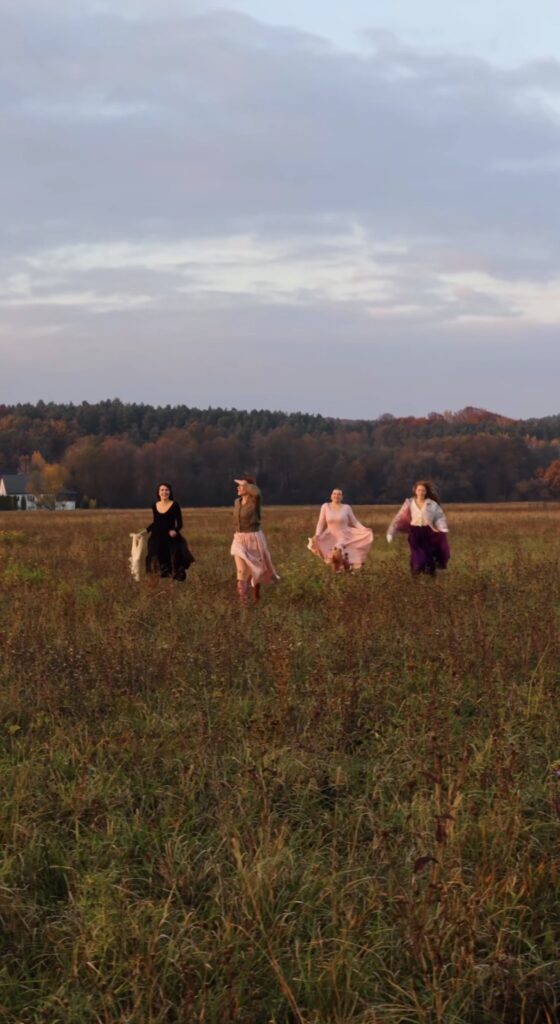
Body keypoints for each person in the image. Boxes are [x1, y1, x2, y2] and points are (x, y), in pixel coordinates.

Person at [230, 477, 279, 604]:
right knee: (241, 571)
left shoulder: (255, 501)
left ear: (248, 488)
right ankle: (243, 601)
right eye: (239, 485)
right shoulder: (237, 502)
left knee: (255, 569)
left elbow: (257, 493)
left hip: (253, 538)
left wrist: (246, 484)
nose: (238, 487)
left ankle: (256, 597)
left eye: (241, 486)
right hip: (239, 538)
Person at [386, 480, 450, 576]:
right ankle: (415, 573)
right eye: (419, 490)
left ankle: (430, 575)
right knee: (417, 554)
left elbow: (439, 517)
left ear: (426, 492)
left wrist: (442, 528)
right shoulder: (409, 503)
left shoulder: (432, 504)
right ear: (415, 491)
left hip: (428, 532)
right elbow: (399, 517)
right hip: (414, 532)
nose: (421, 492)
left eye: (423, 490)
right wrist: (391, 532)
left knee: (428, 554)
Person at [308, 488, 373, 573]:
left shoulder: (346, 508)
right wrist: (317, 535)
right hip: (330, 535)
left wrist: (364, 529)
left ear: (342, 497)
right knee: (333, 559)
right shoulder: (325, 506)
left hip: (344, 535)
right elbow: (321, 522)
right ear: (331, 496)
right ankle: (345, 570)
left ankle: (345, 568)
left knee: (337, 550)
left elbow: (355, 522)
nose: (336, 496)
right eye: (334, 494)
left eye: (339, 494)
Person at [146, 483, 194, 581]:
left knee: (175, 558)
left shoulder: (175, 505)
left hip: (170, 537)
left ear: (170, 492)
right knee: (154, 557)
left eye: (166, 490)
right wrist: (145, 530)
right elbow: (156, 522)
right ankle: (158, 577)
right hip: (157, 536)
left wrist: (175, 531)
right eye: (162, 490)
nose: (164, 492)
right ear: (158, 492)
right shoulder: (154, 505)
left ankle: (176, 577)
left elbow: (180, 523)